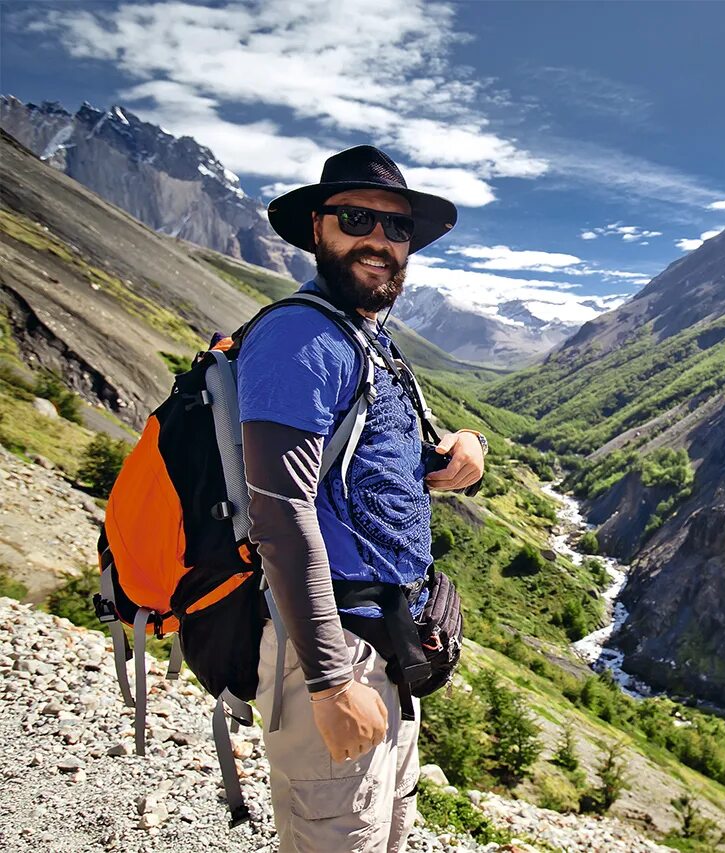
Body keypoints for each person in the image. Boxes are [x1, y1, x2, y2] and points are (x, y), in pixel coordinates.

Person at [237, 145, 486, 852]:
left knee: (386, 827)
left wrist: (464, 445)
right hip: (334, 642)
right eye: (357, 218)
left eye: (397, 227)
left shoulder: (362, 336)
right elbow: (280, 517)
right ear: (318, 228)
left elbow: (365, 462)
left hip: (388, 639)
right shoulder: (299, 339)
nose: (380, 240)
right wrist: (327, 680)